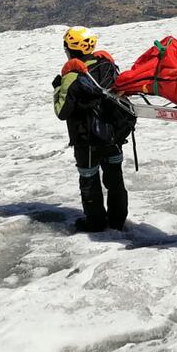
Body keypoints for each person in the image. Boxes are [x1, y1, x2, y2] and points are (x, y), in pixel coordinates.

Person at [52, 26, 129, 232]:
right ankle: (118, 221)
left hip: (86, 139)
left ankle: (95, 223)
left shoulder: (71, 76)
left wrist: (58, 88)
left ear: (70, 49)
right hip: (113, 135)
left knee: (89, 180)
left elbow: (62, 111)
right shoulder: (107, 66)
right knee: (115, 178)